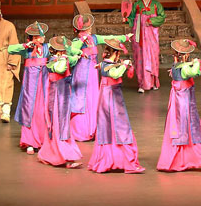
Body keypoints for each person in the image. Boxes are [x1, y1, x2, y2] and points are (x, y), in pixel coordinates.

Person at [68, 14, 132, 142]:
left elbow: (108, 38)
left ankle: (92, 130)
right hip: (81, 74)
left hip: (92, 73)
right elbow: (72, 50)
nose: (90, 29)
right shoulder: (76, 41)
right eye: (88, 27)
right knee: (82, 100)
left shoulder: (94, 38)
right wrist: (82, 39)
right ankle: (80, 131)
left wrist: (124, 37)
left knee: (93, 99)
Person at [157, 39, 201, 172]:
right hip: (184, 102)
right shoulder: (184, 68)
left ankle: (177, 160)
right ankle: (200, 160)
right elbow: (195, 72)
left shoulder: (176, 66)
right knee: (190, 128)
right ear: (186, 55)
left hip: (178, 100)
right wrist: (197, 62)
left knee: (180, 129)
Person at [88, 38, 145, 174]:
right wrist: (124, 65)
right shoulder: (108, 66)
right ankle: (123, 160)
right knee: (119, 126)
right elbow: (115, 73)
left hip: (106, 97)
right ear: (116, 53)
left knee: (108, 127)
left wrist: (121, 64)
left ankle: (110, 159)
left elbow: (110, 68)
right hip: (111, 99)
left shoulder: (105, 64)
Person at [38, 35, 83, 168]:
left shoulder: (64, 58)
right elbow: (60, 69)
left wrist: (78, 55)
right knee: (57, 123)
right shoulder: (52, 61)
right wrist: (63, 58)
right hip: (56, 96)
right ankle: (62, 155)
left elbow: (72, 60)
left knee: (63, 123)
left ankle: (63, 154)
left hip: (64, 94)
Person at [10, 22, 52, 153]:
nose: (39, 39)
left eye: (41, 36)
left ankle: (43, 140)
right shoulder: (27, 50)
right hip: (30, 86)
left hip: (44, 84)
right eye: (36, 37)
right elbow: (10, 49)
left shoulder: (47, 48)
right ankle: (29, 141)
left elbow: (65, 48)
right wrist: (25, 45)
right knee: (29, 109)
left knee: (43, 109)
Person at [126, 0, 165, 94]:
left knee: (153, 56)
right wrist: (126, 19)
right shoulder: (137, 4)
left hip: (152, 34)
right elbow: (131, 18)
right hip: (139, 35)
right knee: (140, 57)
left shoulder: (156, 4)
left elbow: (162, 17)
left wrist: (151, 21)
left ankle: (153, 82)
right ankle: (142, 84)